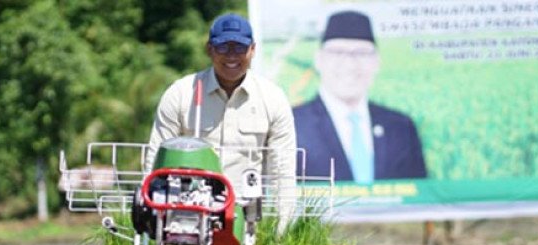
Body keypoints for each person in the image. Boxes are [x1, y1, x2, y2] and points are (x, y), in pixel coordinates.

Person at [147, 13, 296, 223]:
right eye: (223, 47)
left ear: (252, 50)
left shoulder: (273, 99)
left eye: (239, 48)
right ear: (210, 49)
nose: (231, 56)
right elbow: (155, 161)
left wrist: (282, 237)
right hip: (187, 213)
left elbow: (283, 172)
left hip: (247, 216)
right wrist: (152, 223)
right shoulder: (181, 94)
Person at [293, 10, 427, 184]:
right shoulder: (292, 125)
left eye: (362, 53)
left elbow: (420, 198)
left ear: (377, 61)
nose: (350, 65)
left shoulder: (401, 127)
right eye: (338, 52)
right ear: (319, 60)